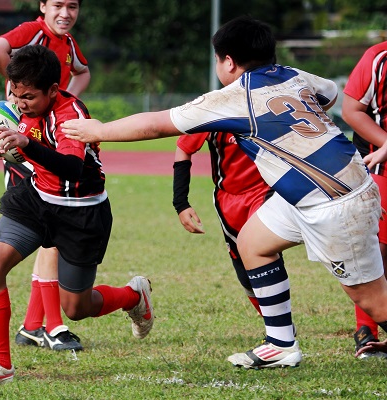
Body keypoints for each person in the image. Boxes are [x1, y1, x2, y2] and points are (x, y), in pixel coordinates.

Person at [63, 15, 387, 369]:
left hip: (333, 202)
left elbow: (156, 124)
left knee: (373, 300)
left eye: (217, 59)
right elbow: (330, 93)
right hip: (329, 188)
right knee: (252, 242)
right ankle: (281, 344)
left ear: (228, 61)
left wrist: (100, 129)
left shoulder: (235, 96)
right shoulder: (295, 76)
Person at [0, 45, 153, 384]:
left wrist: (26, 145)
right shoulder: (19, 105)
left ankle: (134, 296)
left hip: (81, 213)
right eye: (15, 94)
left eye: (28, 97)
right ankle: (0, 366)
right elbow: (16, 143)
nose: (20, 103)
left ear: (52, 90)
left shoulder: (72, 115)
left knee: (76, 309)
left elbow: (73, 169)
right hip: (35, 200)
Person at [0, 0, 89, 351]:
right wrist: (18, 94)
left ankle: (34, 325)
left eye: (72, 6)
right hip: (23, 146)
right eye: (57, 4)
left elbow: (83, 73)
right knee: (49, 231)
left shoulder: (69, 44)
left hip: (45, 144)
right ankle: (53, 326)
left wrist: (61, 101)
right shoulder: (34, 32)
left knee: (52, 234)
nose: (65, 13)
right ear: (42, 6)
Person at [173, 132, 273, 318]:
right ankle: (276, 325)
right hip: (229, 200)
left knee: (263, 253)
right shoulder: (212, 107)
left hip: (266, 191)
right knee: (244, 272)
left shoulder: (265, 104)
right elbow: (184, 148)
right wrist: (181, 203)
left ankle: (280, 334)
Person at [342, 40, 387, 359]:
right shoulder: (378, 58)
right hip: (382, 167)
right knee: (375, 252)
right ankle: (366, 331)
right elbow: (351, 109)